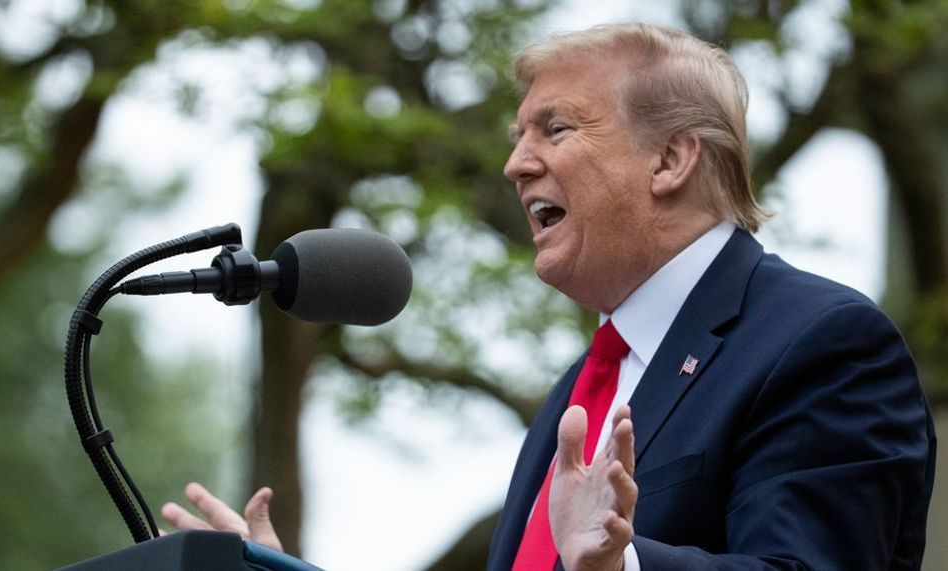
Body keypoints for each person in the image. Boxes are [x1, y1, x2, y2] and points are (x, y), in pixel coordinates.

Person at [162, 23, 936, 570]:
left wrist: (622, 566)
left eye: (553, 128)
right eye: (515, 134)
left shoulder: (821, 342)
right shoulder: (581, 388)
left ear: (670, 157)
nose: (513, 164)